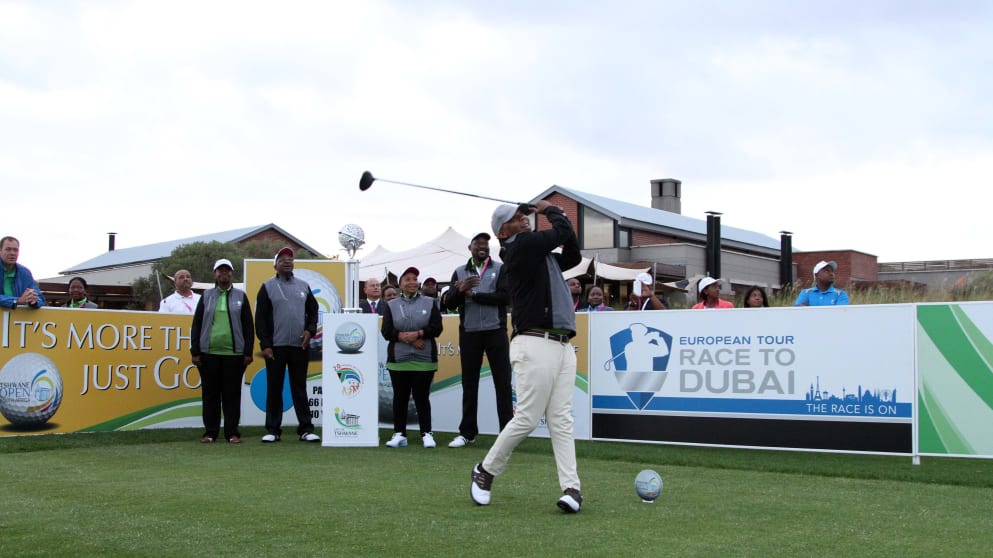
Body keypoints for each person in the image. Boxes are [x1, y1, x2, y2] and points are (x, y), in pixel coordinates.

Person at [471, 200, 584, 514]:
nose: (524, 219)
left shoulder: (539, 256)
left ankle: (572, 488)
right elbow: (561, 231)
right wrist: (551, 209)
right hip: (534, 342)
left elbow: (572, 252)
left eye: (524, 215)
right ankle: (485, 471)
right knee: (528, 418)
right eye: (517, 217)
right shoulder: (520, 247)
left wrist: (555, 219)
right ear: (503, 231)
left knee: (561, 420)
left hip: (561, 344)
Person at [441, 232, 513, 448]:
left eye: (486, 243)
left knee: (503, 383)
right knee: (469, 384)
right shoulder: (459, 272)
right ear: (470, 247)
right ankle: (467, 432)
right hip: (470, 332)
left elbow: (505, 298)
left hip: (496, 331)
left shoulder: (500, 269)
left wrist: (475, 296)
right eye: (478, 243)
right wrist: (461, 290)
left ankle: (507, 435)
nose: (483, 246)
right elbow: (449, 304)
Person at [255, 247, 321, 443]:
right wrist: (265, 344)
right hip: (275, 347)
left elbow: (313, 311)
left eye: (290, 259)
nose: (287, 261)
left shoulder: (303, 286)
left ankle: (306, 429)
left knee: (299, 387)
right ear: (275, 264)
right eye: (282, 259)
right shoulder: (267, 287)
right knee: (274, 387)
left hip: (299, 345)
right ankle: (273, 430)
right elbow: (261, 319)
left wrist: (310, 330)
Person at [191, 259, 254, 444]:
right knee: (210, 394)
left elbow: (248, 326)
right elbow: (196, 325)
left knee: (231, 395)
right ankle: (210, 432)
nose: (224, 274)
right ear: (215, 274)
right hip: (208, 353)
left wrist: (248, 352)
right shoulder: (207, 296)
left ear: (231, 274)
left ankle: (232, 433)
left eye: (227, 271)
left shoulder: (241, 296)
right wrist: (195, 351)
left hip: (234, 355)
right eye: (220, 271)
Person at [381, 266, 443, 449]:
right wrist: (405, 338)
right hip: (399, 360)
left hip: (424, 360)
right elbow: (387, 331)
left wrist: (418, 334)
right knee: (400, 397)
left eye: (415, 279)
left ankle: (427, 433)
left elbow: (437, 328)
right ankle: (399, 433)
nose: (412, 282)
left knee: (421, 398)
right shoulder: (391, 304)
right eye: (407, 279)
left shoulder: (430, 303)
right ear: (400, 284)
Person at [0, 236, 45, 309]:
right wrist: (17, 300)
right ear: (0, 250)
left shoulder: (25, 272)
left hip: (16, 318)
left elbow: (40, 298)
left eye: (15, 250)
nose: (12, 253)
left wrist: (33, 301)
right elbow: (20, 300)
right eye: (8, 249)